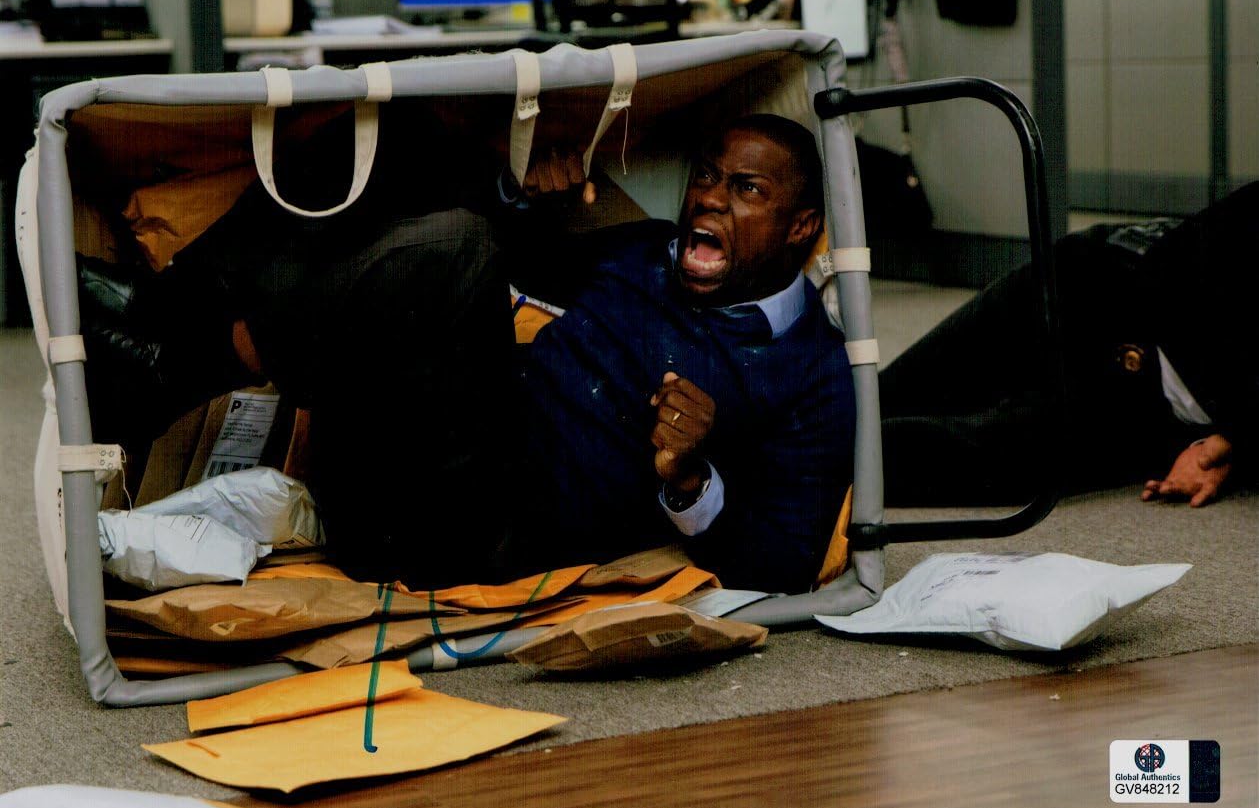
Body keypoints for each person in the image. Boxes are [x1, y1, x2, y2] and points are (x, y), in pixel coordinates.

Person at [79, 114, 856, 593]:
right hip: (423, 437)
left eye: (746, 190)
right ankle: (166, 312)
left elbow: (785, 559)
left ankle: (173, 369)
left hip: (477, 535)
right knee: (391, 140)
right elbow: (519, 260)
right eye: (707, 178)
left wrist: (689, 481)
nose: (708, 199)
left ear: (800, 227)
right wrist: (523, 191)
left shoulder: (812, 371)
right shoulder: (651, 250)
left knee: (455, 247)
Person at [879, 181, 1256, 509]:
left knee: (988, 461)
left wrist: (1228, 447)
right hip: (1111, 286)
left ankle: (841, 461)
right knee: (896, 392)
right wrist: (1230, 443)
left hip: (1159, 403)